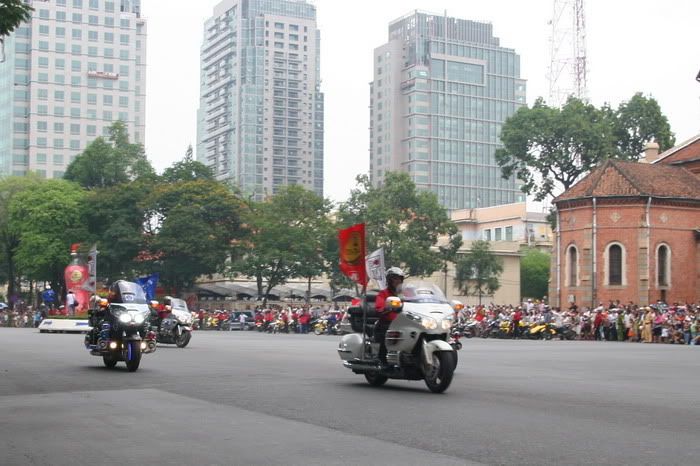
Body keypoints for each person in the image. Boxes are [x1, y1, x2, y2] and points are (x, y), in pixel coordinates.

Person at [374, 267, 405, 365]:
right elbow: (379, 307)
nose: (398, 281)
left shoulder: (405, 294)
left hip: (403, 322)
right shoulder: (383, 293)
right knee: (387, 333)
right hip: (387, 323)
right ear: (389, 280)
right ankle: (383, 360)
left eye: (399, 279)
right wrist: (387, 308)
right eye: (395, 278)